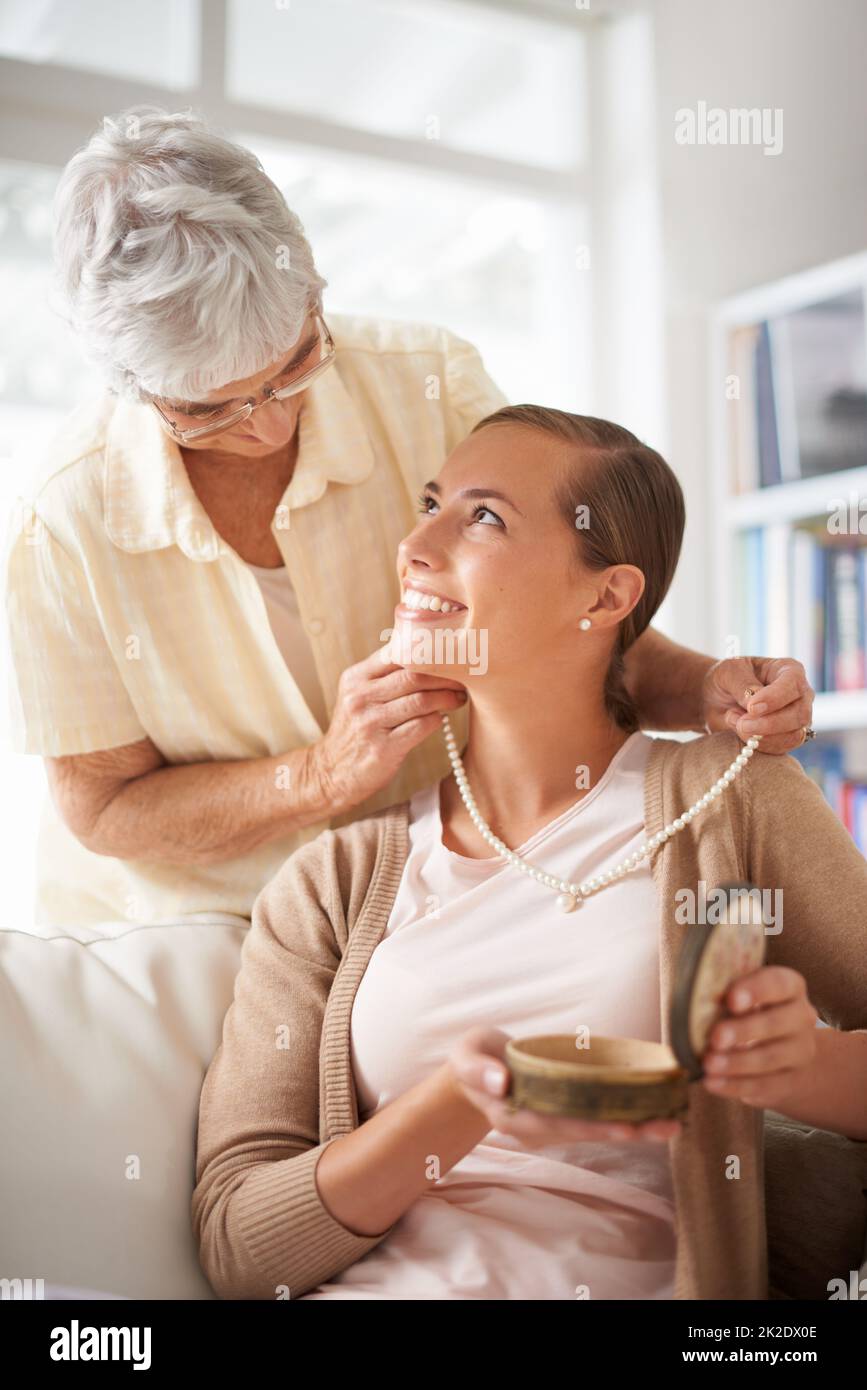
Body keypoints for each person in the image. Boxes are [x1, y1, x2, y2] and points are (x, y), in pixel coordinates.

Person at [3, 106, 813, 931]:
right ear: (131, 388)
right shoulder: (64, 522)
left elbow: (563, 621)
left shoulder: (429, 379)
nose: (271, 425)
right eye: (212, 411)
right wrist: (321, 775)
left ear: (311, 286)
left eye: (293, 365)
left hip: (432, 906)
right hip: (197, 933)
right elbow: (104, 809)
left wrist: (710, 690)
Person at [192, 407, 867, 1302]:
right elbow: (240, 1248)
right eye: (431, 504)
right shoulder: (332, 882)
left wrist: (805, 1069)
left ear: (605, 598)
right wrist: (459, 1105)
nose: (415, 545)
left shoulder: (724, 803)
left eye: (482, 517)